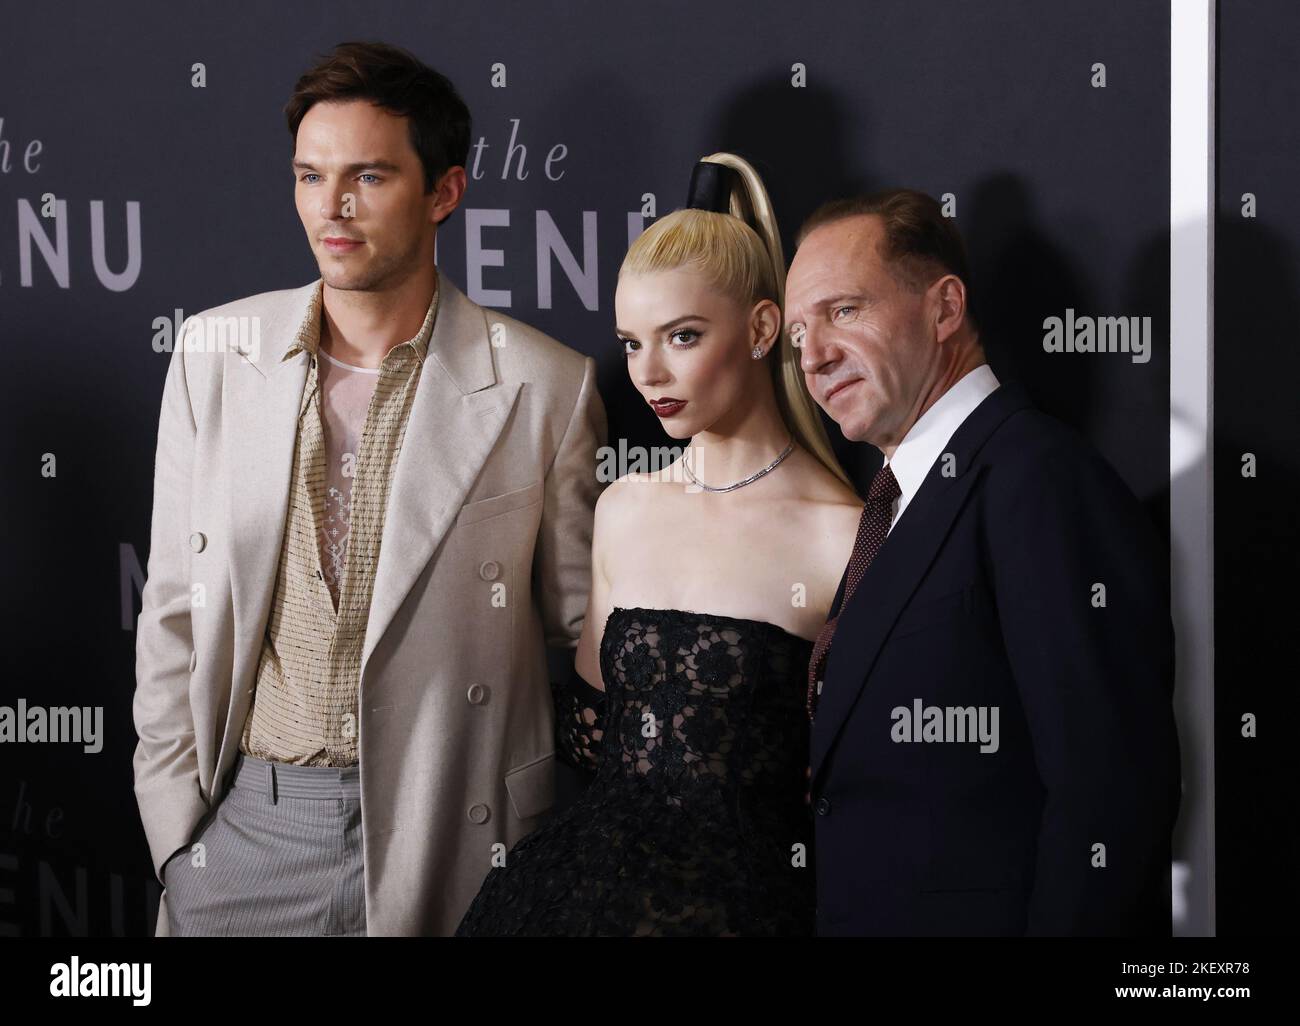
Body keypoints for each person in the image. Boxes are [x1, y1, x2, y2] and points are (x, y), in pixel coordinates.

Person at [131, 40, 605, 936]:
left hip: (456, 832)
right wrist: (176, 844)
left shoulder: (547, 386)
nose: (332, 208)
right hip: (247, 835)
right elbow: (172, 612)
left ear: (445, 192)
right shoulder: (211, 356)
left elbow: (580, 629)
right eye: (311, 176)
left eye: (369, 177)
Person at [455, 154, 863, 936]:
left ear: (761, 328)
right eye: (632, 343)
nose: (649, 373)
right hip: (575, 892)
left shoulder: (842, 531)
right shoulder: (622, 507)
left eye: (681, 336)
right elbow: (594, 740)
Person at [785, 189, 1181, 935]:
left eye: (843, 312)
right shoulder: (895, 503)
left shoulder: (1040, 480)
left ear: (944, 309)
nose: (813, 355)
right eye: (798, 332)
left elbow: (1110, 796)